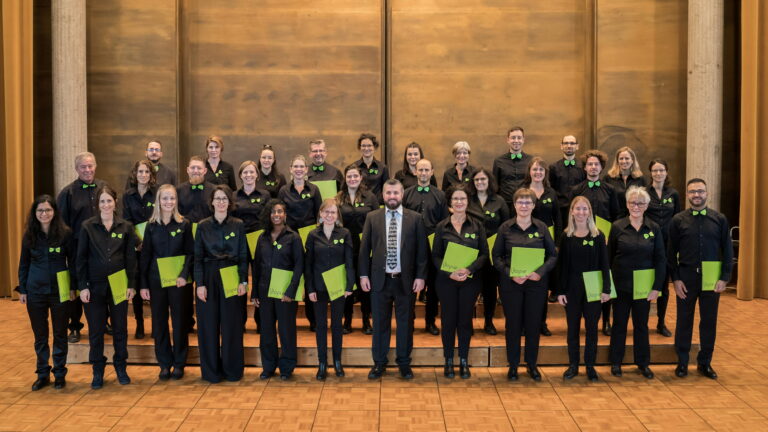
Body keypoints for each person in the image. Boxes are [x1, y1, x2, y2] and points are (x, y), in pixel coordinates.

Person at [359, 179, 428, 380]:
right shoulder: (372, 217)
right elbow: (364, 249)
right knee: (380, 323)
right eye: (388, 193)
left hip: (405, 281)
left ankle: (404, 363)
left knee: (405, 324)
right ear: (382, 195)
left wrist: (420, 276)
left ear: (402, 195)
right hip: (379, 280)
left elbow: (422, 251)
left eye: (395, 193)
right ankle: (379, 363)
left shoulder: (415, 218)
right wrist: (363, 275)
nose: (392, 196)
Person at [668, 178, 733, 380]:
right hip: (686, 278)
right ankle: (682, 362)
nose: (697, 195)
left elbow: (727, 250)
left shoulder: (719, 219)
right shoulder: (678, 220)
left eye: (700, 191)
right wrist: (675, 279)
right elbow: (671, 253)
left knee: (709, 322)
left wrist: (725, 277)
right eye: (693, 191)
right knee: (684, 321)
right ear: (687, 194)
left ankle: (705, 363)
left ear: (707, 193)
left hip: (711, 280)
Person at [492, 188, 557, 381]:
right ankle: (513, 365)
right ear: (514, 205)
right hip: (511, 285)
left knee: (533, 324)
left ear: (534, 205)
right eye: (520, 202)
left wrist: (540, 272)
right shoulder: (505, 228)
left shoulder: (541, 227)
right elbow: (496, 257)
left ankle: (531, 364)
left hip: (536, 284)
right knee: (512, 325)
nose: (524, 206)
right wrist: (509, 273)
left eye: (528, 202)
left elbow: (553, 255)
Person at [76, 185, 137, 389]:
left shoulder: (126, 227)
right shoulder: (87, 227)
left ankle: (121, 366)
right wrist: (82, 286)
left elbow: (130, 258)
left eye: (109, 200)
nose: (106, 204)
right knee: (96, 331)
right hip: (94, 286)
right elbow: (81, 259)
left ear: (115, 202)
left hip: (119, 284)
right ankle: (98, 369)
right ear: (97, 204)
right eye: (102, 201)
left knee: (120, 329)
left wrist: (131, 284)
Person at [608, 186, 666, 379]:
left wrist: (656, 287)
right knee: (619, 324)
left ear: (647, 206)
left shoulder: (654, 228)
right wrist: (608, 286)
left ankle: (643, 363)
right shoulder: (617, 227)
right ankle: (616, 362)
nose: (636, 206)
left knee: (641, 325)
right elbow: (608, 258)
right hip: (621, 285)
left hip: (644, 288)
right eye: (633, 202)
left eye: (640, 203)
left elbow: (660, 260)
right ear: (627, 204)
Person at [17, 195, 74, 390]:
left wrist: (73, 287)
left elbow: (73, 262)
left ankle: (59, 373)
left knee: (60, 334)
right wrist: (23, 289)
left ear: (54, 212)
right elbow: (24, 264)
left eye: (48, 210)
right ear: (35, 213)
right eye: (40, 210)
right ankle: (42, 374)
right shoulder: (29, 235)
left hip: (60, 290)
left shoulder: (65, 234)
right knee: (40, 335)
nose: (44, 214)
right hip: (35, 291)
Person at [431, 185, 488, 379]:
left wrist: (469, 269)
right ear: (450, 202)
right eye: (455, 199)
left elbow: (484, 254)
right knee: (448, 321)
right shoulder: (442, 226)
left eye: (462, 199)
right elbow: (436, 256)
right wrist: (450, 273)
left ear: (468, 202)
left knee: (465, 321)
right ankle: (448, 360)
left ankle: (463, 359)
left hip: (470, 281)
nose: (459, 202)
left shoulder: (477, 226)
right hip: (446, 281)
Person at [193, 185, 248, 383]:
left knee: (232, 325)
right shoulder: (203, 226)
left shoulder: (238, 225)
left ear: (230, 202)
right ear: (212, 202)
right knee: (208, 325)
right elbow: (197, 257)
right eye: (218, 198)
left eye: (224, 198)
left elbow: (243, 255)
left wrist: (243, 280)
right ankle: (211, 372)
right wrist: (199, 283)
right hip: (209, 276)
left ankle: (232, 370)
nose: (221, 202)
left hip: (231, 274)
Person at [138, 185, 194, 380]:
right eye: (165, 198)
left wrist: (184, 275)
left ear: (176, 201)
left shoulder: (185, 224)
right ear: (158, 201)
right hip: (156, 281)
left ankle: (179, 363)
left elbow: (191, 253)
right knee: (159, 323)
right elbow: (145, 256)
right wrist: (143, 284)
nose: (168, 202)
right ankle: (164, 363)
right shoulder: (151, 226)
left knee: (180, 323)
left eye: (172, 198)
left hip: (179, 282)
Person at [556, 196, 610, 381]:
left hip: (593, 288)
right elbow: (561, 266)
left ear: (590, 212)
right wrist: (560, 291)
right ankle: (573, 365)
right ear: (572, 211)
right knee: (572, 329)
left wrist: (606, 289)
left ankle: (590, 366)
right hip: (572, 289)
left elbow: (605, 264)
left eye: (584, 208)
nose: (581, 212)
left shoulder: (598, 235)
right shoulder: (566, 236)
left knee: (592, 329)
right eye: (577, 208)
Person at [252, 199, 303, 380]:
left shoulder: (293, 237)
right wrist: (255, 292)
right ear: (269, 215)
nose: (276, 215)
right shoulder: (262, 237)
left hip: (285, 293)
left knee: (286, 330)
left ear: (285, 215)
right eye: (273, 212)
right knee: (266, 331)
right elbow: (256, 266)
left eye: (280, 211)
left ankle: (287, 368)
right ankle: (268, 366)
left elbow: (299, 266)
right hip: (265, 291)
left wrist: (291, 291)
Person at [56, 151, 105, 343]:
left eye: (90, 165)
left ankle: (104, 321)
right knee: (76, 286)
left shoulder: (104, 188)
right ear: (76, 169)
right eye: (83, 166)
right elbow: (62, 225)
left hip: (101, 247)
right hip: (77, 248)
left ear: (95, 166)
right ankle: (74, 326)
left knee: (102, 284)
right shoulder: (67, 193)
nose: (87, 169)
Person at [570, 149, 620, 336]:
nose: (593, 167)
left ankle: (606, 320)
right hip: (581, 240)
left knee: (604, 276)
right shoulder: (577, 190)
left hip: (604, 242)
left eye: (596, 164)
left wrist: (610, 237)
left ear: (601, 167)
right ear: (585, 167)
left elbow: (616, 215)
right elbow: (572, 214)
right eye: (589, 164)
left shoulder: (610, 190)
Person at [305, 199, 355, 380]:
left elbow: (349, 261)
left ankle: (337, 361)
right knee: (320, 326)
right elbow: (308, 264)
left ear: (337, 215)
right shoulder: (312, 235)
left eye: (333, 212)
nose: (329, 215)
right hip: (318, 287)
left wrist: (349, 284)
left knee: (336, 325)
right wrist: (310, 288)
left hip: (338, 286)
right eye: (326, 212)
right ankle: (322, 363)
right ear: (320, 213)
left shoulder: (345, 233)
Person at [403, 159, 448, 335]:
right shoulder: (406, 194)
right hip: (410, 247)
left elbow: (444, 223)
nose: (423, 173)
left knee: (432, 287)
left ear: (432, 172)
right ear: (415, 171)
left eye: (426, 170)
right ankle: (409, 320)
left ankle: (430, 321)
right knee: (409, 285)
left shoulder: (440, 195)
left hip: (432, 247)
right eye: (420, 170)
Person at [518, 157, 562, 336]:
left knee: (541, 286)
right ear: (529, 171)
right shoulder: (522, 191)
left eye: (541, 170)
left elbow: (558, 219)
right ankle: (522, 323)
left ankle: (541, 322)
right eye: (535, 169)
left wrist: (557, 244)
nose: (538, 172)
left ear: (545, 173)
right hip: (525, 244)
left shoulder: (551, 193)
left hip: (545, 244)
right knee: (523, 284)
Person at [278, 155, 322, 331]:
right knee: (293, 275)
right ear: (290, 169)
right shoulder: (283, 190)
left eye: (301, 166)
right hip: (290, 239)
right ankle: (289, 319)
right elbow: (280, 215)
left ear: (306, 170)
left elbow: (319, 215)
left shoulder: (314, 189)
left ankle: (314, 321)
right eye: (295, 166)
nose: (298, 169)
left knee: (310, 276)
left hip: (309, 238)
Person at [337, 165, 379, 334]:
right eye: (349, 176)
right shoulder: (338, 198)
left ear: (361, 178)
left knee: (365, 286)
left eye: (355, 176)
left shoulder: (370, 197)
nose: (352, 179)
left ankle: (366, 321)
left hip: (365, 248)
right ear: (345, 178)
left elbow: (377, 221)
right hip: (344, 248)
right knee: (347, 284)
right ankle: (347, 320)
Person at [467, 168, 509, 335]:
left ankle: (489, 321)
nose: (480, 182)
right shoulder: (467, 200)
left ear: (489, 181)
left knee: (490, 289)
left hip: (493, 252)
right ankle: (467, 323)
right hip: (471, 251)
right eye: (477, 180)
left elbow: (506, 226)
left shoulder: (499, 201)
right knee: (470, 289)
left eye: (483, 179)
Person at [231, 160, 270, 332]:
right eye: (245, 172)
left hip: (258, 240)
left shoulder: (265, 195)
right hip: (238, 241)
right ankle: (239, 321)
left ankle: (261, 321)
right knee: (240, 279)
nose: (248, 175)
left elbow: (268, 218)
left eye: (251, 172)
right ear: (240, 175)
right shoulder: (233, 195)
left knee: (260, 279)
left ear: (257, 175)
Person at [644, 159, 681, 337]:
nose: (658, 173)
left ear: (666, 172)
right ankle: (642, 322)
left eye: (661, 170)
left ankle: (661, 322)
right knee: (645, 284)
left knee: (663, 287)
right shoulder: (644, 192)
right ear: (650, 173)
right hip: (647, 243)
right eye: (655, 170)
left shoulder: (673, 194)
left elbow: (678, 218)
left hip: (667, 245)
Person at [122, 159, 157, 339]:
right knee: (136, 285)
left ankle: (156, 325)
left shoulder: (157, 194)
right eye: (140, 171)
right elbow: (126, 221)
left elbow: (159, 218)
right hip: (135, 246)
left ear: (151, 175)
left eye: (146, 172)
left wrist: (149, 242)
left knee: (154, 285)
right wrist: (138, 241)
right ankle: (140, 324)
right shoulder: (127, 195)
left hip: (154, 246)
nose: (143, 175)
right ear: (135, 174)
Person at [549, 135, 585, 232]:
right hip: (560, 211)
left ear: (577, 146)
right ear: (561, 146)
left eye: (572, 143)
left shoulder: (583, 167)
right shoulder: (553, 167)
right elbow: (551, 189)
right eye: (566, 143)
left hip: (579, 210)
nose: (569, 146)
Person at [493, 127, 533, 209]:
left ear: (523, 140)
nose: (516, 140)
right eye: (513, 138)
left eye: (519, 138)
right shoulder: (498, 161)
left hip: (526, 203)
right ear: (508, 140)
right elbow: (495, 185)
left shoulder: (531, 161)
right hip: (505, 204)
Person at [604, 146, 647, 218]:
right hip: (614, 219)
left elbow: (645, 201)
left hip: (635, 219)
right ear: (617, 161)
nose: (624, 161)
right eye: (621, 158)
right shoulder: (608, 178)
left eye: (627, 158)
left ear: (632, 160)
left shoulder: (640, 179)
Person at [353, 133, 389, 203]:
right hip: (359, 204)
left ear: (374, 147)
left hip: (377, 205)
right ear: (360, 147)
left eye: (369, 145)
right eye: (363, 146)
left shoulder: (383, 168)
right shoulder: (354, 167)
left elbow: (386, 189)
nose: (366, 148)